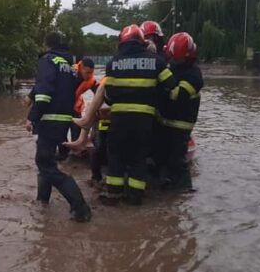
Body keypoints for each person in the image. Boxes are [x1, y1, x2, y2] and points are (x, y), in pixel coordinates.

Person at [99, 24, 176, 206]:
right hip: (144, 121)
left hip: (118, 121)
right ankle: (135, 198)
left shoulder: (112, 64)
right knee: (138, 158)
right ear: (143, 42)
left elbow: (108, 97)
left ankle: (114, 196)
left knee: (116, 157)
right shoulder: (156, 61)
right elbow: (171, 86)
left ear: (122, 42)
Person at [26, 32, 91, 222]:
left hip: (49, 119)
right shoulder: (69, 66)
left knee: (44, 163)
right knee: (47, 161)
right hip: (63, 120)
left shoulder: (47, 60)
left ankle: (80, 207)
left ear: (46, 44)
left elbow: (45, 91)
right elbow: (54, 86)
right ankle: (42, 201)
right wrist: (32, 95)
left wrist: (32, 117)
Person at [157, 32, 203, 191]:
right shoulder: (173, 65)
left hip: (181, 124)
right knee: (162, 156)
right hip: (166, 122)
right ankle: (166, 184)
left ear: (188, 56)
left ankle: (185, 190)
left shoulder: (194, 76)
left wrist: (159, 89)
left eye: (177, 58)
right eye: (172, 58)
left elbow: (178, 96)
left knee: (177, 159)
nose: (174, 61)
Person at [57, 58, 97, 161]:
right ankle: (63, 152)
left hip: (76, 107)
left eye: (91, 72)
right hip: (62, 106)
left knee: (77, 131)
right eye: (87, 72)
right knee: (60, 131)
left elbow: (98, 94)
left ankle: (77, 152)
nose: (89, 75)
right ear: (81, 67)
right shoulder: (69, 72)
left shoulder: (91, 80)